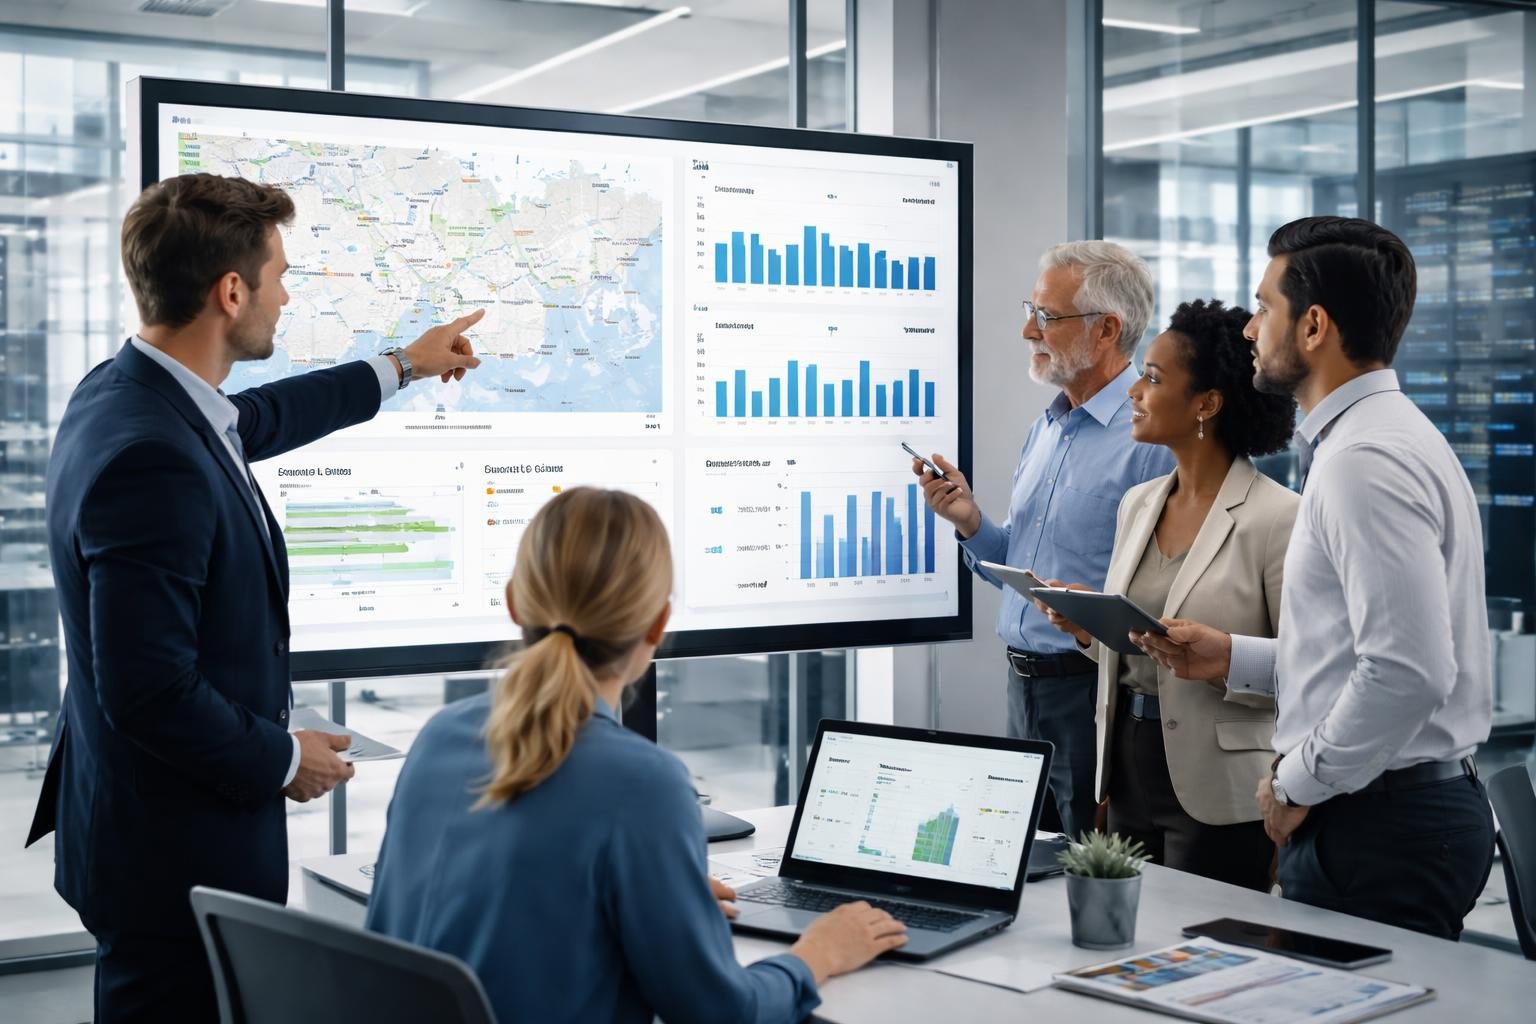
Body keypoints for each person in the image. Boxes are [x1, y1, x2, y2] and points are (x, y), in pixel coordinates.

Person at [24, 172, 484, 1022]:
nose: (285, 296)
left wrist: (404, 366)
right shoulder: (152, 457)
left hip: (136, 825)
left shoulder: (123, 393)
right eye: (279, 276)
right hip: (172, 854)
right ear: (231, 292)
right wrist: (283, 757)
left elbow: (259, 418)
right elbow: (147, 689)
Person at [366, 487, 906, 1024]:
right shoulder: (644, 782)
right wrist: (816, 955)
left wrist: (663, 902)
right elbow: (722, 1015)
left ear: (513, 603)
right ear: (658, 623)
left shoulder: (441, 736)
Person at [1135, 217, 1496, 939]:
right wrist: (1234, 657)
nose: (1250, 330)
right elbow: (1360, 654)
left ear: (1313, 327)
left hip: (1376, 822)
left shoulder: (1365, 461)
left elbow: (1408, 671)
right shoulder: (1378, 439)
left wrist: (1296, 782)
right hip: (1385, 812)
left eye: (1264, 307)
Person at [915, 241, 1173, 840]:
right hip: (1022, 688)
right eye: (1030, 311)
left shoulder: (1152, 441)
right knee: (1020, 860)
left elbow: (1168, 595)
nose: (1028, 330)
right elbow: (1026, 567)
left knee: (1086, 861)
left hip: (1093, 692)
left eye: (1047, 316)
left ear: (1106, 329)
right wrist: (971, 523)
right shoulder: (1046, 429)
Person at [1038, 299, 1297, 890]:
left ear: (1206, 404)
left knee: (1206, 938)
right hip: (1127, 768)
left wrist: (1224, 657)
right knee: (1130, 933)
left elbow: (1309, 673)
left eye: (1152, 379)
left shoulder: (1279, 518)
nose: (1134, 392)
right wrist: (1086, 627)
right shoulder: (1139, 503)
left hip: (1221, 786)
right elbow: (1135, 652)